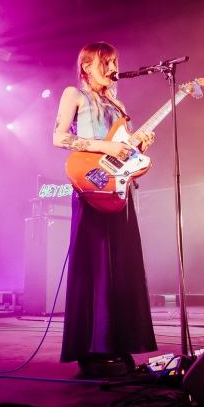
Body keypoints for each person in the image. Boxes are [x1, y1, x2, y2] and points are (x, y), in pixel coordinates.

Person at [52, 42, 157, 377]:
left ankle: (120, 342)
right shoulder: (74, 94)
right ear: (87, 66)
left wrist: (138, 145)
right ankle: (94, 347)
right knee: (96, 268)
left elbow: (122, 151)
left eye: (115, 62)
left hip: (120, 189)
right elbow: (59, 138)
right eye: (106, 63)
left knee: (122, 268)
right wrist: (106, 145)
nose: (113, 69)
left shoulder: (118, 103)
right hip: (90, 185)